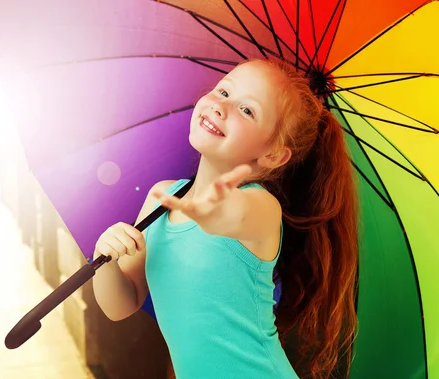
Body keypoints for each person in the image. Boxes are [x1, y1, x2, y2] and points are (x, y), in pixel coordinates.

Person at [92, 59, 359, 379]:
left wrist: (212, 211)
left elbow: (236, 214)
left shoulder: (262, 208)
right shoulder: (161, 198)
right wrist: (103, 259)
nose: (221, 106)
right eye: (223, 91)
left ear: (273, 154)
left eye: (248, 110)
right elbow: (121, 305)